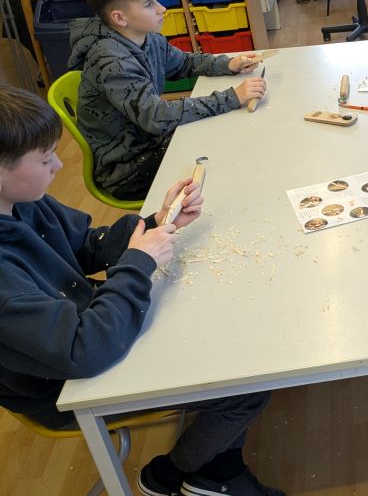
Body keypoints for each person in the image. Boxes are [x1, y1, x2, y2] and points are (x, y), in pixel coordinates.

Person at [0, 84, 284, 496]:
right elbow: (83, 350)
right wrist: (139, 262)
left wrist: (157, 223)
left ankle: (217, 468)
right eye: (45, 159)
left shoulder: (22, 199)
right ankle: (167, 476)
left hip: (89, 324)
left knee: (228, 334)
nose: (59, 165)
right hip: (63, 382)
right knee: (246, 382)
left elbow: (88, 246)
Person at [68, 0, 267, 201]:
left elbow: (183, 63)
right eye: (148, 4)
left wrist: (228, 64)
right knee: (228, 160)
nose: (162, 8)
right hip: (128, 169)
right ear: (119, 17)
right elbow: (157, 117)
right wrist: (232, 97)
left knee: (228, 140)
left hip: (149, 143)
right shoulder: (111, 61)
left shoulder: (147, 38)